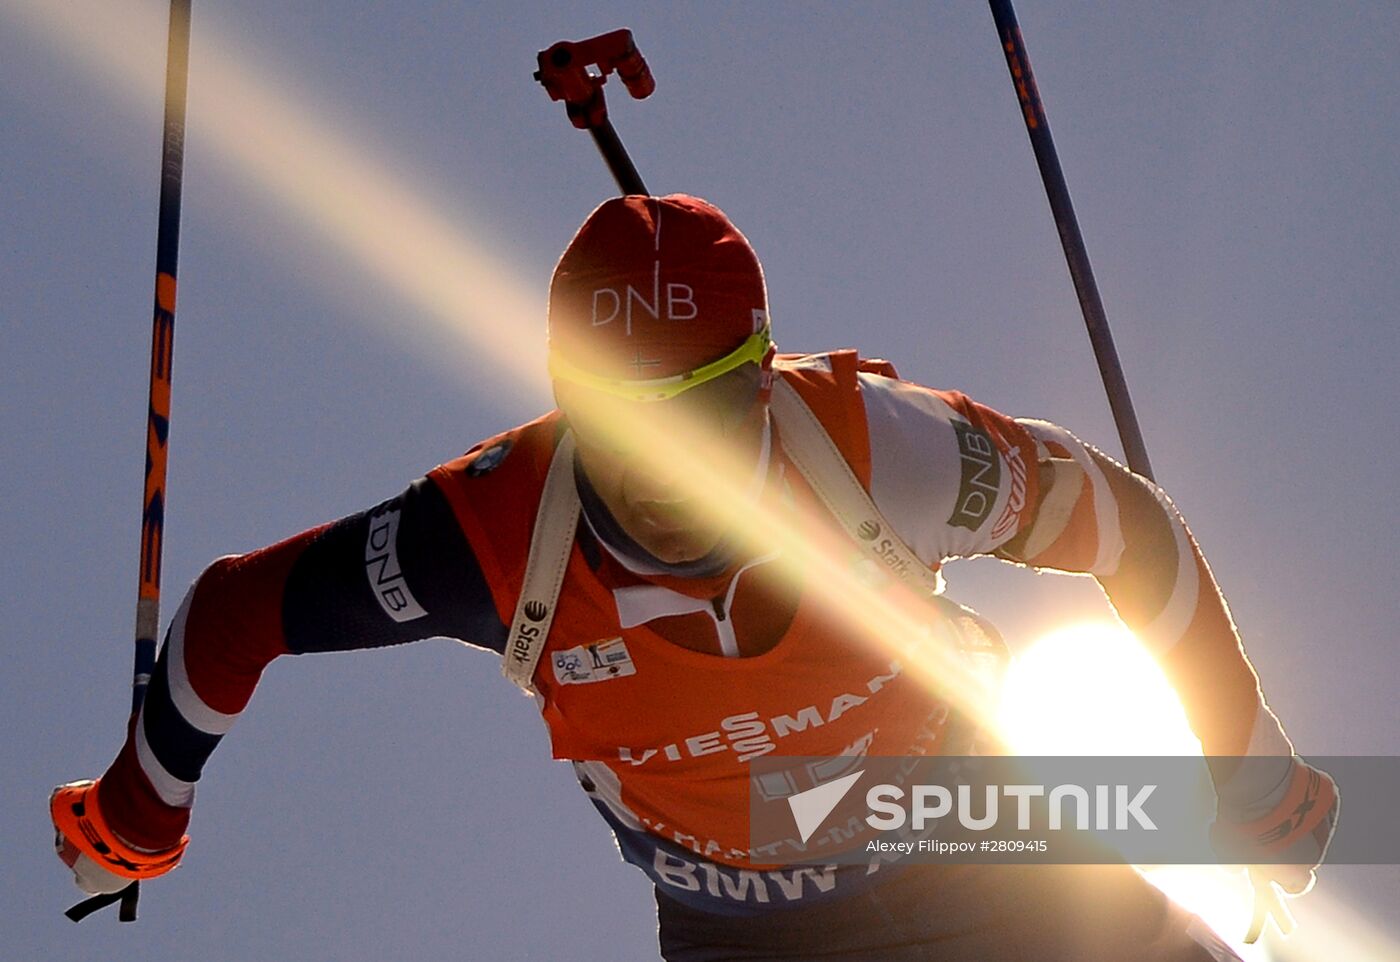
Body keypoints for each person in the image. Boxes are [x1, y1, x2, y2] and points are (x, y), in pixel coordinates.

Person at [52, 194, 1336, 960]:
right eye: (616, 425)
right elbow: (237, 610)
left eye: (705, 413)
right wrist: (140, 803)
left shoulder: (880, 451)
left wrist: (1241, 750)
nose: (660, 469)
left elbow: (1121, 523)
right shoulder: (492, 532)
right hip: (743, 930)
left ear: (764, 377)